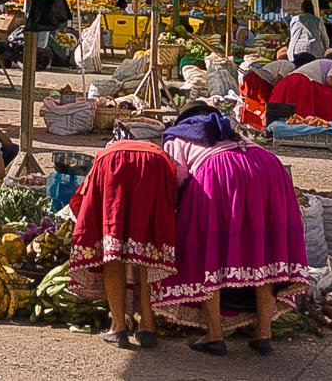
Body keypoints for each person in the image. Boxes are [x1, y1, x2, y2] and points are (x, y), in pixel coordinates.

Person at [154, 106, 313, 356]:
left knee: (209, 251)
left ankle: (214, 335)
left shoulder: (176, 136)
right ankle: (263, 333)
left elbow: (175, 181)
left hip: (219, 173)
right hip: (268, 169)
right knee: (264, 253)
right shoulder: (229, 131)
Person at [67, 131, 182, 349]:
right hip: (155, 166)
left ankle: (118, 326)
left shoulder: (105, 154)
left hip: (111, 166)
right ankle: (148, 326)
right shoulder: (158, 152)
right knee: (147, 250)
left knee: (112, 248)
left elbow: (84, 197)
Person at [267, 58, 332, 122]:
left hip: (286, 83)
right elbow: (331, 82)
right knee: (330, 94)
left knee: (283, 115)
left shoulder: (320, 63)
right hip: (300, 83)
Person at [238, 59, 292, 130]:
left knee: (253, 106)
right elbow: (277, 82)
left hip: (254, 78)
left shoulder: (285, 63)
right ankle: (259, 128)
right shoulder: (290, 66)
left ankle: (252, 126)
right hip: (259, 80)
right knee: (262, 107)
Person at [287, 0, 326, 65]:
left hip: (298, 48)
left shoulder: (296, 19)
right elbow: (324, 38)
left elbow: (293, 36)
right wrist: (325, 49)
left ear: (302, 8)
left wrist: (290, 52)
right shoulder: (318, 20)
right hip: (315, 49)